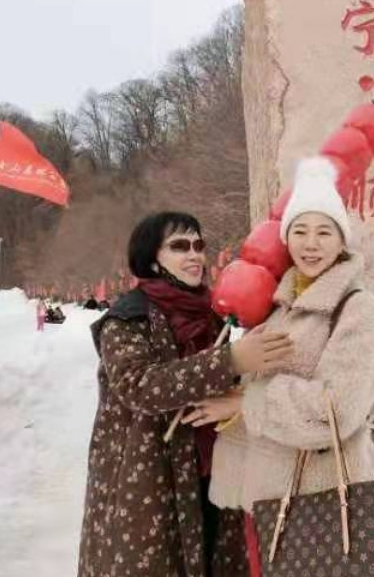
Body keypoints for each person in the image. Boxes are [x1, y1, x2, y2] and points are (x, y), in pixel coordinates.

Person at [192, 158, 374, 575]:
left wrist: (245, 403)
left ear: (342, 240)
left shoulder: (357, 309)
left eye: (324, 232)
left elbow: (337, 408)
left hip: (318, 499)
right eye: (300, 231)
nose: (310, 244)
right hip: (266, 500)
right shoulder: (279, 309)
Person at [78, 211, 294, 577]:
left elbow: (219, 384)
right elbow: (139, 386)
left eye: (198, 245)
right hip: (149, 476)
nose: (194, 255)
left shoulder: (211, 313)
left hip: (211, 468)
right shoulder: (128, 318)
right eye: (179, 246)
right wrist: (229, 360)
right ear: (151, 259)